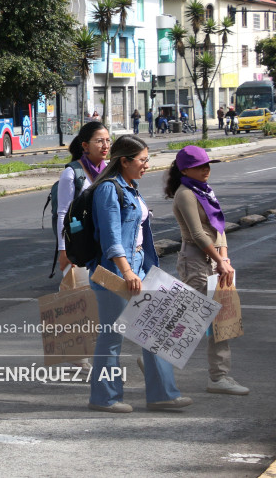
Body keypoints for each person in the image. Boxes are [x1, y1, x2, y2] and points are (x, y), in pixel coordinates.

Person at [87, 134, 192, 413]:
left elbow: (137, 235)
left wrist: (147, 272)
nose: (147, 165)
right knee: (112, 337)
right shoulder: (109, 189)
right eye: (143, 160)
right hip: (114, 273)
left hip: (139, 269)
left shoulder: (131, 187)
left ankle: (163, 395)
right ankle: (104, 398)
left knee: (156, 331)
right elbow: (111, 238)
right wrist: (127, 272)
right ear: (125, 161)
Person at [165, 146, 249, 396]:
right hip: (195, 260)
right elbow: (197, 233)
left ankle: (219, 376)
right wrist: (218, 260)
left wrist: (224, 258)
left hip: (215, 259)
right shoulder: (185, 194)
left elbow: (218, 227)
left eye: (208, 164)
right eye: (200, 166)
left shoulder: (205, 191)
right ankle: (158, 358)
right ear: (184, 170)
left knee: (222, 318)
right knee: (195, 319)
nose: (206, 169)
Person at [56, 122, 110, 282]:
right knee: (84, 300)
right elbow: (62, 214)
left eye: (108, 140)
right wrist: (63, 251)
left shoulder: (108, 170)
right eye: (100, 141)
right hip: (81, 245)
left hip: (104, 245)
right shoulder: (71, 173)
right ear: (85, 145)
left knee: (108, 295)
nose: (105, 145)